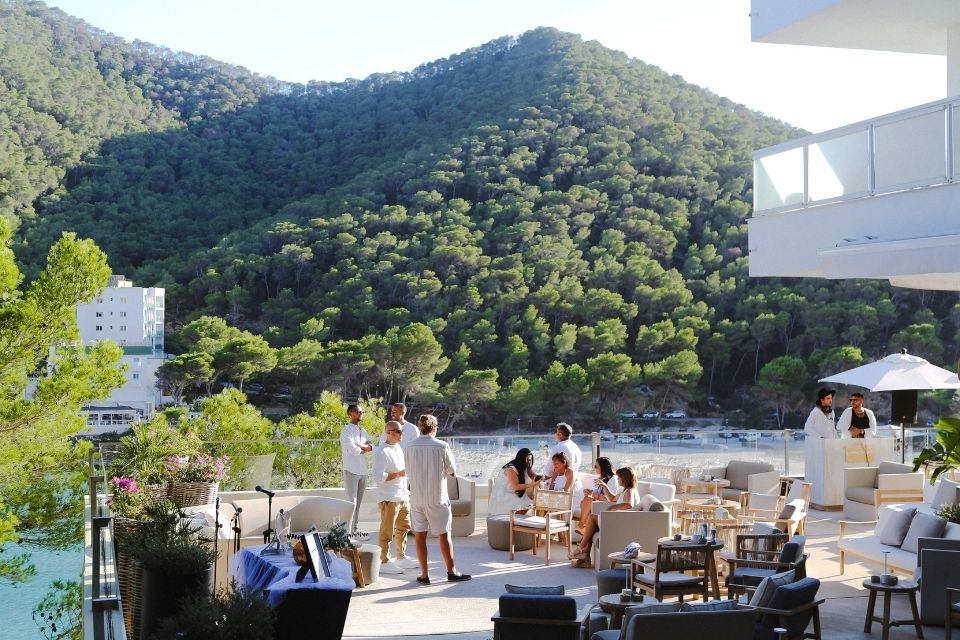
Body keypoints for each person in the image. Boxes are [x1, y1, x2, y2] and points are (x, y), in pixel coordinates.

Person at [404, 413, 470, 584]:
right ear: (435, 428)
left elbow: (408, 471)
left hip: (417, 498)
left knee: (420, 536)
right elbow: (452, 471)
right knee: (443, 535)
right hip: (437, 498)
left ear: (420, 427)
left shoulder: (409, 446)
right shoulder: (442, 446)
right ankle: (451, 571)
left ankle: (425, 575)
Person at [569, 466, 639, 563]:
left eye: (619, 478)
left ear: (624, 478)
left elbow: (629, 504)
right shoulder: (625, 491)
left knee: (592, 517)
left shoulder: (630, 491)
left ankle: (581, 548)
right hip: (616, 520)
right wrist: (604, 486)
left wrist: (612, 507)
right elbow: (612, 498)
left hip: (619, 523)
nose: (618, 479)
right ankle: (585, 557)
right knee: (592, 526)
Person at [372, 420, 416, 574]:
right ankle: (384, 561)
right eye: (397, 431)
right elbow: (377, 477)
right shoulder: (381, 452)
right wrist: (399, 474)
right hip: (389, 498)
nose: (401, 433)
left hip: (402, 495)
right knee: (387, 530)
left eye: (401, 431)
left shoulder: (397, 448)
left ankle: (401, 557)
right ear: (388, 432)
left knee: (404, 527)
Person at [340, 403, 373, 534]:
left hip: (363, 471)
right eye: (357, 411)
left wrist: (361, 446)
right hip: (351, 470)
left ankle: (355, 529)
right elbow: (353, 450)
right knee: (352, 503)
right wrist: (363, 448)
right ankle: (347, 531)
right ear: (350, 414)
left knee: (358, 503)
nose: (360, 413)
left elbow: (371, 446)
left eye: (361, 412)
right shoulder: (346, 430)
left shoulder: (363, 431)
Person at [488, 448, 541, 516]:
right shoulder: (510, 469)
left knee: (533, 504)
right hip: (505, 496)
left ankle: (519, 521)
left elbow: (533, 475)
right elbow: (516, 487)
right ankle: (516, 521)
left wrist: (541, 478)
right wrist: (532, 484)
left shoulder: (524, 466)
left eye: (530, 460)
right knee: (526, 505)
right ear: (522, 459)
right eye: (528, 460)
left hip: (516, 495)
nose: (529, 462)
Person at [577, 457, 619, 531]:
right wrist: (588, 492)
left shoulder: (613, 479)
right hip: (596, 503)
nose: (594, 468)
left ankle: (581, 525)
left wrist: (594, 495)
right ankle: (582, 529)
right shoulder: (601, 478)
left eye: (596, 466)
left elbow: (610, 499)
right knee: (587, 499)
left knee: (588, 500)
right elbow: (595, 493)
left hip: (607, 505)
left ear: (603, 467)